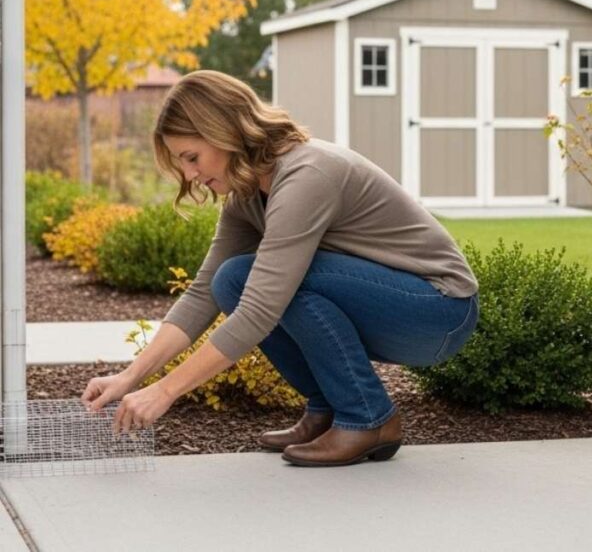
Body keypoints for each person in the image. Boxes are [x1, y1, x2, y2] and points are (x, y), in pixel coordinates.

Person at [80, 70, 480, 467]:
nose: (190, 175)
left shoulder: (307, 175)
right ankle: (329, 408)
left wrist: (165, 391)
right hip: (396, 307)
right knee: (230, 279)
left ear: (224, 132)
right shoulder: (248, 196)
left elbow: (260, 308)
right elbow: (203, 293)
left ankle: (367, 417)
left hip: (436, 308)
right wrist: (130, 377)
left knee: (260, 282)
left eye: (191, 157)